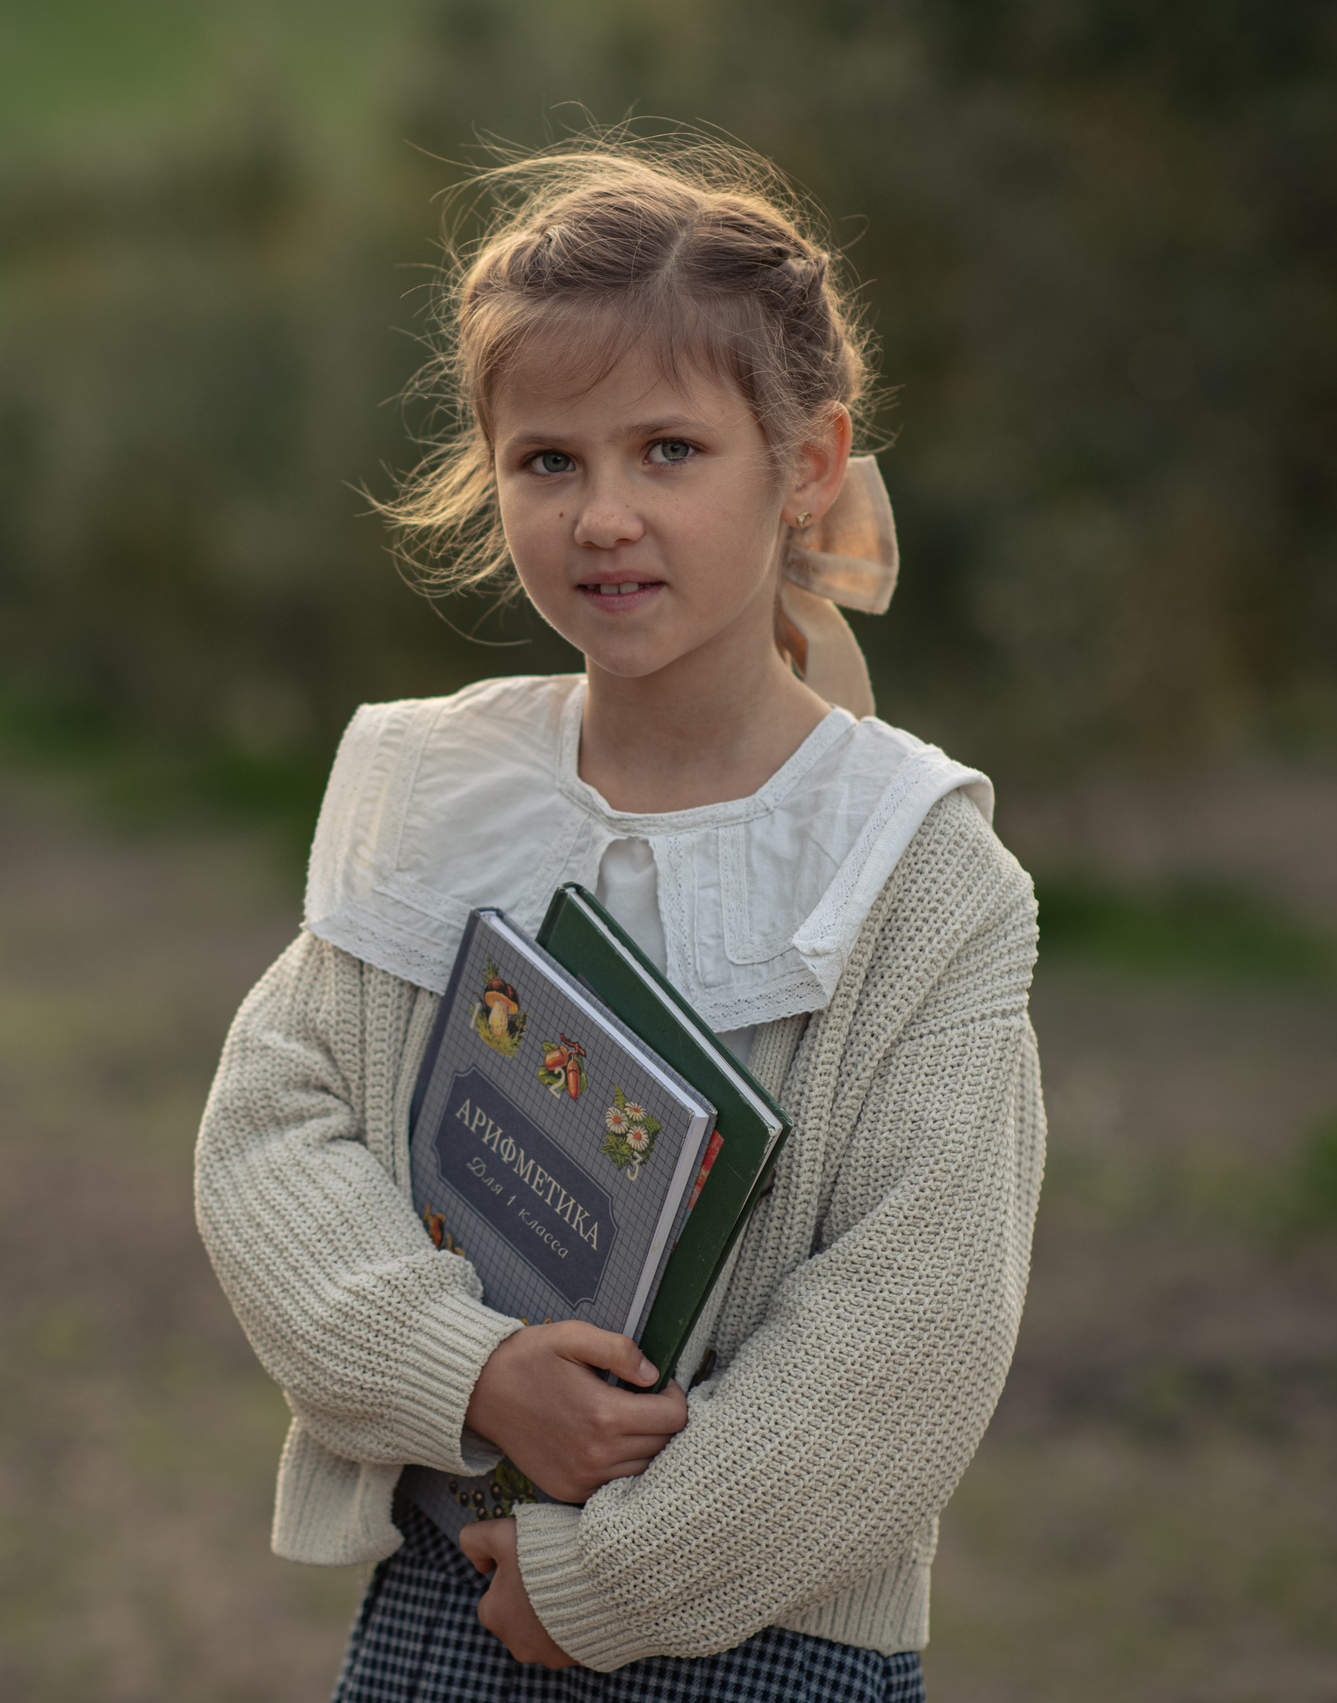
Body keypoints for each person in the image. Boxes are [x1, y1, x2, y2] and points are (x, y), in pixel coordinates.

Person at [193, 134, 1045, 1703]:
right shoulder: (433, 790)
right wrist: (465, 1372)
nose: (603, 515)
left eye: (669, 451)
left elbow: (913, 1325)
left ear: (804, 465)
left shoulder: (918, 870)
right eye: (549, 461)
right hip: (450, 1597)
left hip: (767, 1636)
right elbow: (271, 1130)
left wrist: (620, 1573)